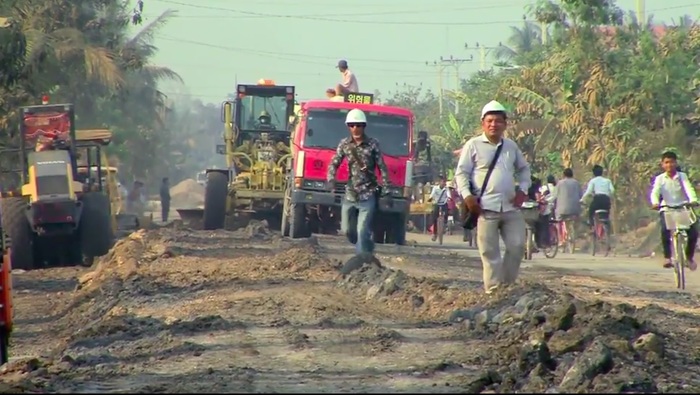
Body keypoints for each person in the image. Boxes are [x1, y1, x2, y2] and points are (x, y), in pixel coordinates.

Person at [454, 100, 531, 294]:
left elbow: (524, 169)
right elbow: (461, 173)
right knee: (490, 253)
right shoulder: (473, 145)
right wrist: (468, 197)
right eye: (489, 121)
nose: (493, 125)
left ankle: (507, 286)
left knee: (517, 246)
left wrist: (523, 190)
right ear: (483, 123)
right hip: (484, 208)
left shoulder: (511, 146)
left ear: (505, 124)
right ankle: (493, 290)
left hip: (510, 207)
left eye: (498, 121)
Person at [327, 108, 390, 254]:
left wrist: (387, 191)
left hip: (367, 194)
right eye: (352, 125)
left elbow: (382, 167)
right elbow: (334, 163)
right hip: (350, 194)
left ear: (364, 126)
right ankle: (366, 244)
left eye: (359, 125)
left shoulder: (373, 144)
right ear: (348, 126)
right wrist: (331, 179)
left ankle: (362, 259)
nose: (355, 128)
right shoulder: (344, 144)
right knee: (347, 230)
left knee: (362, 229)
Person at [650, 151, 698, 270]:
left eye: (672, 162)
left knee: (693, 232)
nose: (669, 165)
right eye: (666, 162)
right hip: (667, 208)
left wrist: (693, 200)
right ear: (662, 164)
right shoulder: (660, 179)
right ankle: (667, 257)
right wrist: (655, 202)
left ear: (676, 163)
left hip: (682, 207)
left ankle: (689, 258)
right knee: (665, 230)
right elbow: (655, 192)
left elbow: (689, 189)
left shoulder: (682, 176)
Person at [580, 165, 614, 231]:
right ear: (602, 172)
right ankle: (608, 230)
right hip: (606, 201)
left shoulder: (593, 181)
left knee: (591, 211)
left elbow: (589, 192)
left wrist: (582, 199)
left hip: (597, 200)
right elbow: (612, 190)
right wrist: (608, 195)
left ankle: (591, 225)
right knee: (606, 215)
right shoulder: (608, 181)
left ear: (594, 173)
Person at [554, 168, 583, 245]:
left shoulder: (560, 183)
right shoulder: (576, 183)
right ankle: (574, 235)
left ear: (563, 175)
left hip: (562, 210)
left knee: (558, 221)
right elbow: (581, 195)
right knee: (577, 219)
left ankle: (560, 239)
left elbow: (554, 196)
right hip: (575, 209)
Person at [428, 176, 450, 241]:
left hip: (444, 203)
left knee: (446, 213)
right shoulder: (435, 188)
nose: (444, 183)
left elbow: (449, 195)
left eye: (444, 182)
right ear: (439, 182)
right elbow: (432, 195)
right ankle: (434, 234)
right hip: (437, 204)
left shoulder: (446, 189)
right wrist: (430, 198)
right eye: (443, 182)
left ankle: (445, 225)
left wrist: (449, 198)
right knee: (434, 218)